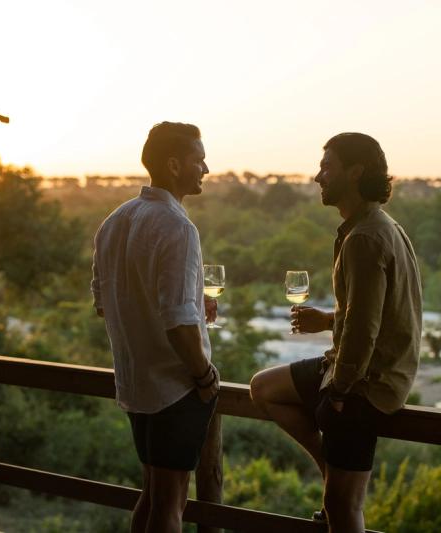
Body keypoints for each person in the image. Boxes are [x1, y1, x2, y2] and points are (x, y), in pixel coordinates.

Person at [250, 133, 422, 533]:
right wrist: (329, 320)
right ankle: (330, 464)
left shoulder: (365, 238)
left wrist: (339, 393)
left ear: (355, 172)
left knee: (342, 506)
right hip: (354, 370)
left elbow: (363, 332)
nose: (318, 177)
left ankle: (336, 474)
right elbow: (372, 313)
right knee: (263, 388)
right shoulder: (376, 227)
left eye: (327, 167)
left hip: (365, 384)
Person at [91, 122, 219, 533]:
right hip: (175, 388)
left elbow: (107, 304)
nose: (206, 169)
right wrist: (204, 375)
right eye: (199, 160)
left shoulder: (114, 221)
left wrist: (193, 299)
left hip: (135, 383)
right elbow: (178, 323)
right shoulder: (179, 227)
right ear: (174, 164)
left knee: (151, 493)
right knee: (171, 502)